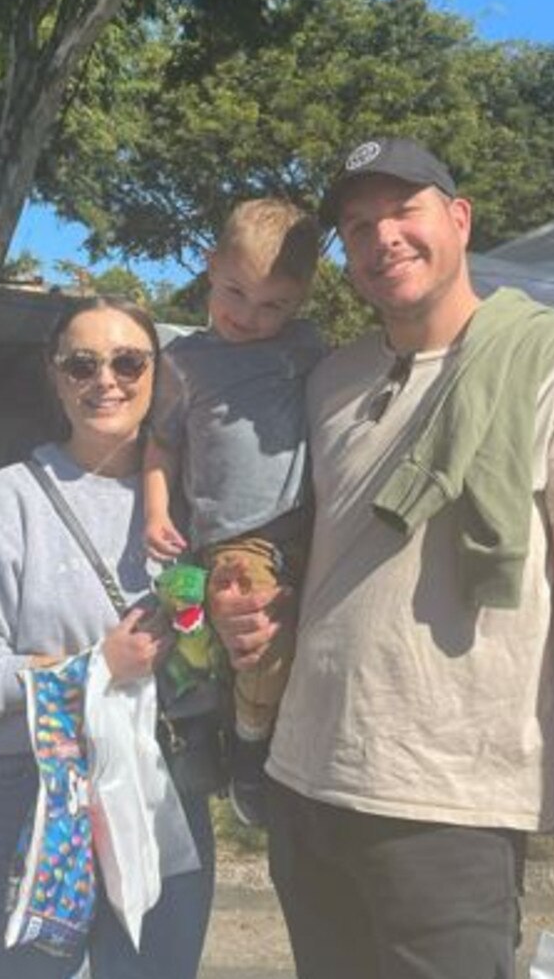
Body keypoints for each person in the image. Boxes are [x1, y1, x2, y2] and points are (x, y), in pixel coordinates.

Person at [210, 137, 554, 979]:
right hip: (305, 776)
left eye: (404, 210)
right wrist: (254, 603)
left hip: (449, 795)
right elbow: (310, 548)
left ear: (459, 217)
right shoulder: (328, 378)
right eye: (358, 223)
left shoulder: (552, 367)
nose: (383, 237)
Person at [0, 298, 215, 979]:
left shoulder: (200, 501)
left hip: (160, 794)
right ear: (55, 378)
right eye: (81, 363)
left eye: (128, 361)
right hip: (33, 795)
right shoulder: (6, 502)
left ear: (157, 374)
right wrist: (88, 670)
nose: (104, 379)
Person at [143, 198, 325, 827]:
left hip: (291, 527)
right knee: (199, 628)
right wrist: (157, 509)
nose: (250, 315)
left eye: (274, 303)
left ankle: (246, 738)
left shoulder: (304, 348)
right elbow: (163, 442)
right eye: (236, 291)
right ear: (210, 264)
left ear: (300, 301)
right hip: (215, 532)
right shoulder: (184, 360)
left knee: (275, 640)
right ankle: (218, 737)